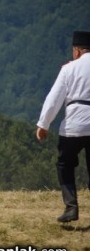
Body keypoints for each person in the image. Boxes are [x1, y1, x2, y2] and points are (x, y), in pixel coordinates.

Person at [36, 30, 90, 222]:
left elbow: (54, 98)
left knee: (65, 164)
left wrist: (43, 125)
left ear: (76, 51)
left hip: (74, 125)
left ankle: (71, 207)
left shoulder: (69, 69)